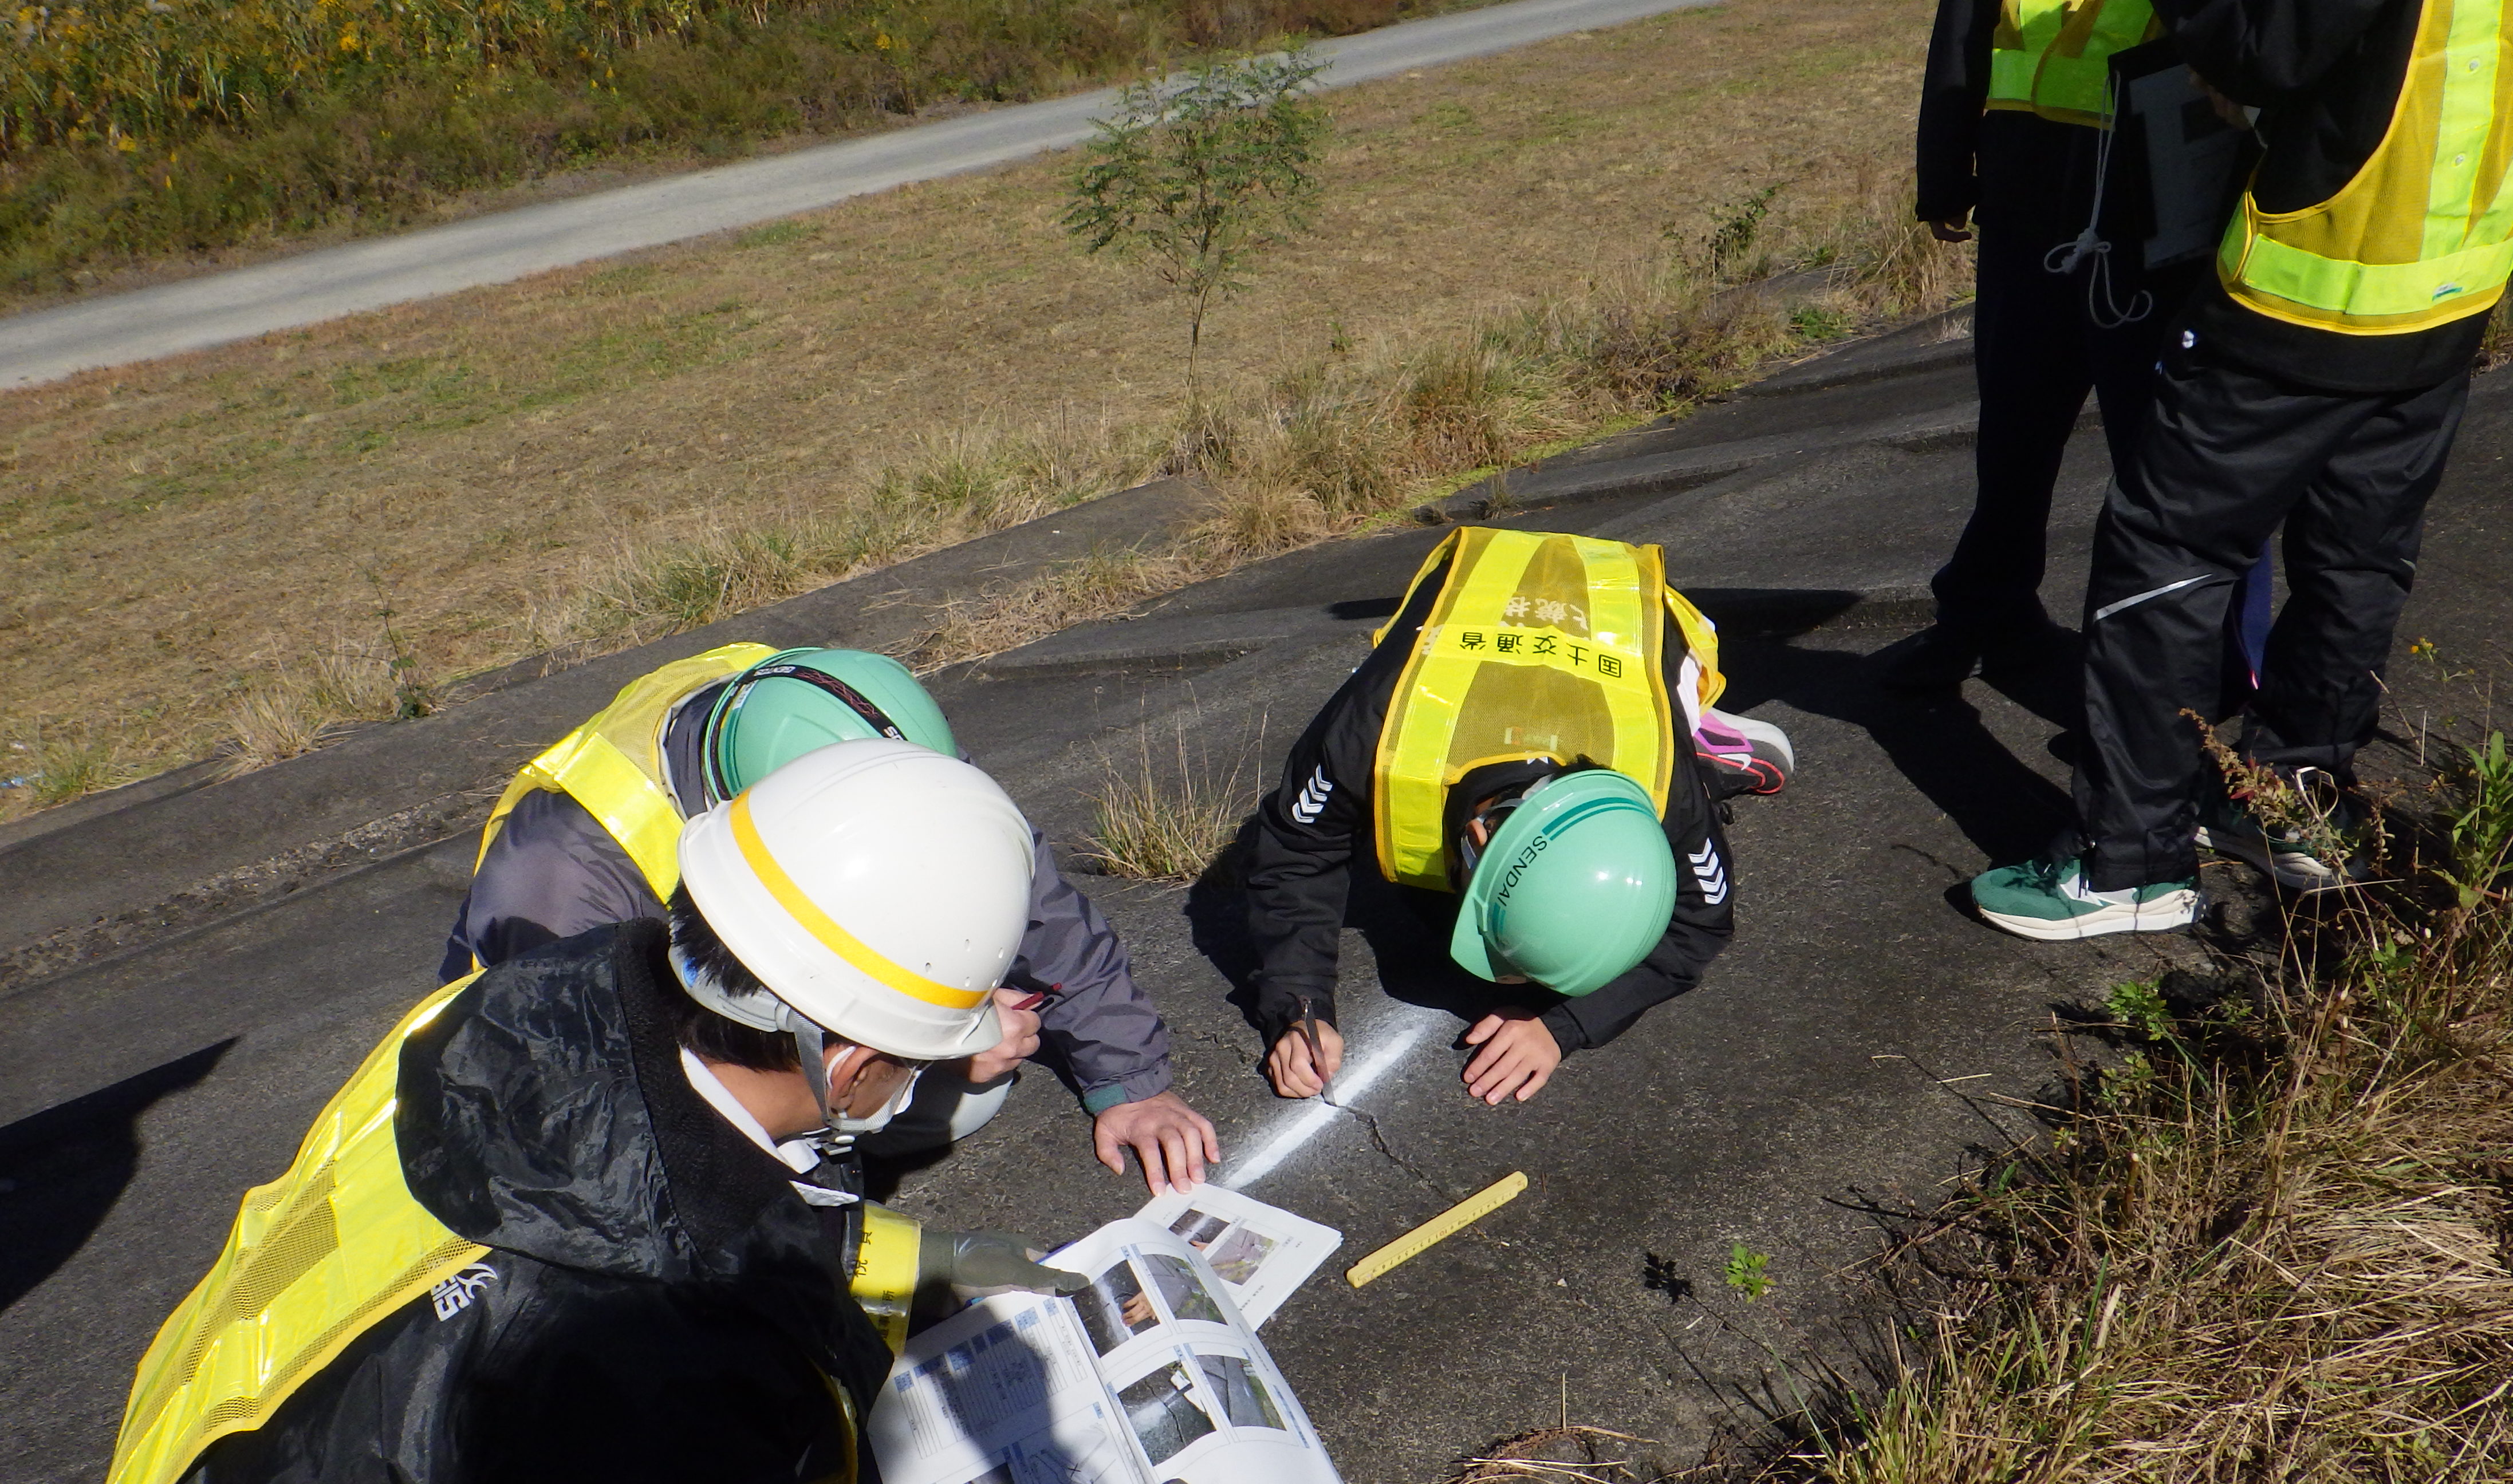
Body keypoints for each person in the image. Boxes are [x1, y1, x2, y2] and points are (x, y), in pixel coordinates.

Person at [107, 741, 1089, 1484]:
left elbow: (655, 1188)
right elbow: (669, 1248)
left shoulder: (510, 1009)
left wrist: (917, 1264)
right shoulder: (680, 1371)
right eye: (923, 1061)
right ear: (854, 1064)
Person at [1970, 0, 2513, 937]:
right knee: (2360, 547)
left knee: (2164, 551)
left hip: (2316, 275)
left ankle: (2130, 861)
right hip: (2458, 264)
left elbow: (2265, 47)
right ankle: (2294, 804)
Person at [442, 642, 1219, 1193]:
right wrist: (917, 1051)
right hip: (607, 1054)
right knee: (941, 1087)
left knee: (973, 1088)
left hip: (725, 1001)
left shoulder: (831, 719)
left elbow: (1025, 891)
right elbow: (586, 1110)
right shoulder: (558, 889)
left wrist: (1129, 1078)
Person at [1242, 527, 1794, 1105]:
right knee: (1423, 901)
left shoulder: (1659, 781)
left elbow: (1699, 924)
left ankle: (1703, 739)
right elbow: (1297, 849)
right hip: (1482, 614)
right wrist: (1300, 1005)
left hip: (1627, 631)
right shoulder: (1371, 735)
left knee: (1673, 722)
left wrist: (1563, 1025)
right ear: (1476, 832)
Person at [1895, 0, 2279, 695]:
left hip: (2161, 181)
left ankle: (2210, 683)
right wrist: (1946, 169)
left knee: (2174, 455)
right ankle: (1988, 615)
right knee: (2014, 425)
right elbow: (1966, 24)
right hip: (2027, 182)